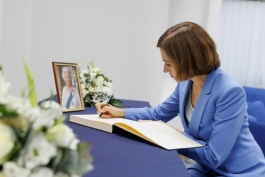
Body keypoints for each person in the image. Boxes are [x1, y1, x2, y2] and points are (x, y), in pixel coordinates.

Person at [95, 22, 265, 176]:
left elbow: (214, 156)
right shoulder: (185, 84)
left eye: (168, 64)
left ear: (188, 61)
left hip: (238, 172)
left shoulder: (230, 91)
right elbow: (158, 113)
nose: (164, 70)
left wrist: (173, 136)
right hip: (204, 168)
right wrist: (120, 112)